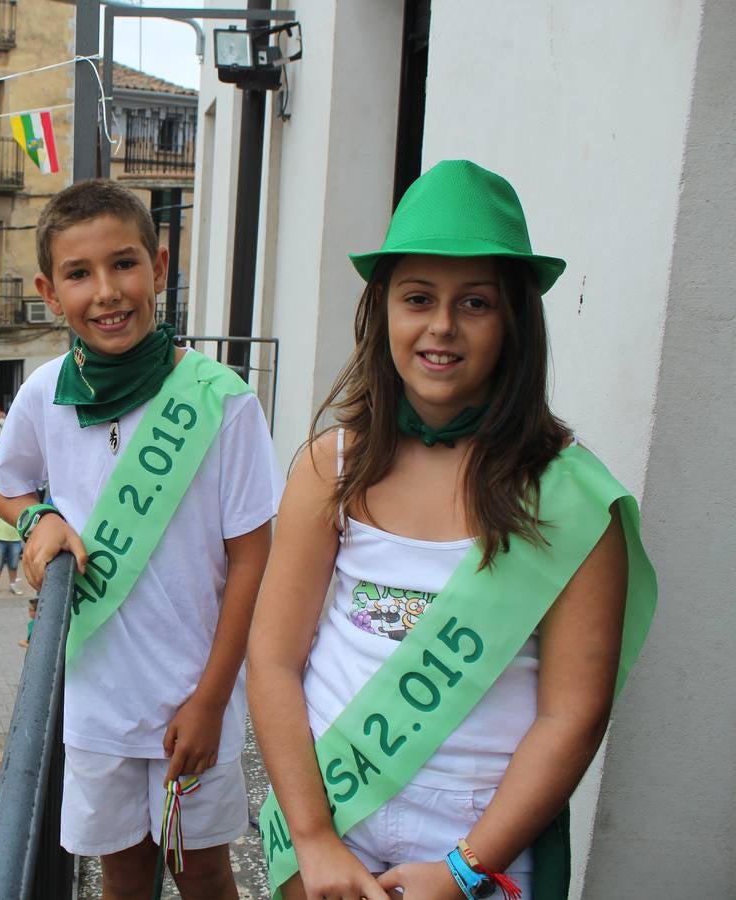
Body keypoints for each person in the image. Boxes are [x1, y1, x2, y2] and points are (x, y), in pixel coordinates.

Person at [247, 161, 656, 900]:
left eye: (475, 302)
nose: (441, 325)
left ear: (514, 322)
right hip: (333, 833)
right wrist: (311, 839)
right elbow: (273, 661)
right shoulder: (331, 467)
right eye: (417, 299)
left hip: (480, 856)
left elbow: (574, 712)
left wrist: (465, 869)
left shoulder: (569, 497)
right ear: (384, 313)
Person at [0, 179, 279, 899]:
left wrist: (212, 701)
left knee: (202, 867)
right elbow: (5, 480)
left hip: (193, 695)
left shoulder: (224, 402)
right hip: (97, 698)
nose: (107, 292)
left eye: (124, 264)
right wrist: (38, 518)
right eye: (79, 275)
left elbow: (252, 560)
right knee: (121, 871)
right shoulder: (44, 392)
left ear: (161, 267)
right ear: (49, 293)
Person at [0, 505, 23, 598]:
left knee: (14, 564)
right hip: (0, 538)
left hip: (16, 539)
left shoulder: (20, 503)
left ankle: (13, 584)